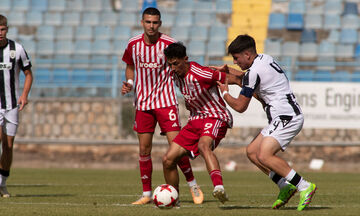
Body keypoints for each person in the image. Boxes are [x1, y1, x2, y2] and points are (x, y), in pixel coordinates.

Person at [217, 34, 317, 211]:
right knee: (253, 152)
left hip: (287, 117)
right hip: (282, 116)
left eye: (236, 58)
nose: (234, 61)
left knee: (265, 155)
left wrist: (224, 92)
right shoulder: (264, 59)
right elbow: (243, 78)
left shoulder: (254, 72)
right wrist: (226, 74)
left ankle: (304, 185)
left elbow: (240, 106)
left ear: (247, 54)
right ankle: (284, 186)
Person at [121, 8, 203, 205]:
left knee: (177, 147)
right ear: (142, 22)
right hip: (142, 103)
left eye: (155, 22)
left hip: (165, 102)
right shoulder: (133, 44)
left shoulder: (168, 44)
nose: (151, 26)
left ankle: (193, 185)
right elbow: (130, 66)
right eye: (148, 22)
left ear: (160, 23)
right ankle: (147, 194)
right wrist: (130, 84)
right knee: (144, 149)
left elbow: (182, 64)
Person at [162, 42, 242, 204]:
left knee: (203, 145)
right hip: (195, 119)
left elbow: (233, 79)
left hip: (215, 116)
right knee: (168, 159)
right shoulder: (174, 75)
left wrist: (252, 91)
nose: (173, 68)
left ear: (185, 59)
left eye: (176, 64)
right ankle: (173, 199)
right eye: (170, 64)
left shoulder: (200, 73)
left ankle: (219, 188)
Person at [0, 14, 33, 197]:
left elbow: (28, 74)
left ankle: (2, 183)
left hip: (12, 104)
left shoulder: (17, 49)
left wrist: (24, 95)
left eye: (2, 29)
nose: (0, 33)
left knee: (8, 146)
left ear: (7, 29)